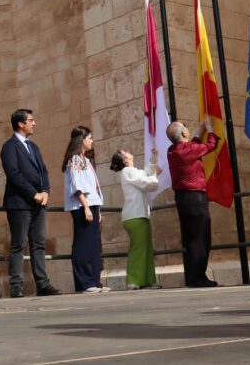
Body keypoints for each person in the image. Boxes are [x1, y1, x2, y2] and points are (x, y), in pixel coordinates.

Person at [1, 108, 61, 298]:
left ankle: (42, 283)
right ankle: (16, 286)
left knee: (39, 244)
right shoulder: (9, 146)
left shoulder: (33, 146)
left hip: (38, 203)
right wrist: (32, 193)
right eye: (31, 120)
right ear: (20, 123)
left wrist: (45, 191)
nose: (34, 123)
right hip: (19, 203)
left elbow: (43, 170)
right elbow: (14, 174)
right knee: (19, 244)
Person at [166, 118, 219, 288]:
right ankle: (198, 278)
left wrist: (198, 130)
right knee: (200, 238)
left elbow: (192, 147)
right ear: (183, 133)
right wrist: (210, 129)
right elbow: (211, 145)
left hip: (182, 199)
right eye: (185, 128)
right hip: (195, 198)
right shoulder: (187, 150)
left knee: (190, 238)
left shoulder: (172, 150)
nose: (187, 129)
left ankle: (192, 277)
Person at [61, 126, 108, 294]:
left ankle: (94, 280)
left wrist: (97, 209)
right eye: (89, 138)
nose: (92, 141)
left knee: (93, 244)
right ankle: (85, 282)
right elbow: (77, 185)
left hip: (91, 205)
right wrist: (87, 207)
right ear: (81, 140)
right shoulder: (75, 159)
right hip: (82, 206)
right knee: (84, 244)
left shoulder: (84, 159)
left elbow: (92, 186)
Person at [110, 148, 162, 290]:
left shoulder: (130, 171)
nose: (128, 151)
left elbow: (144, 174)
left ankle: (147, 280)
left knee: (145, 248)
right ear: (125, 160)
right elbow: (147, 183)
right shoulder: (128, 171)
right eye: (124, 152)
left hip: (138, 214)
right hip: (135, 215)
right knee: (139, 249)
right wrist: (156, 173)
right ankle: (133, 280)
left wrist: (153, 159)